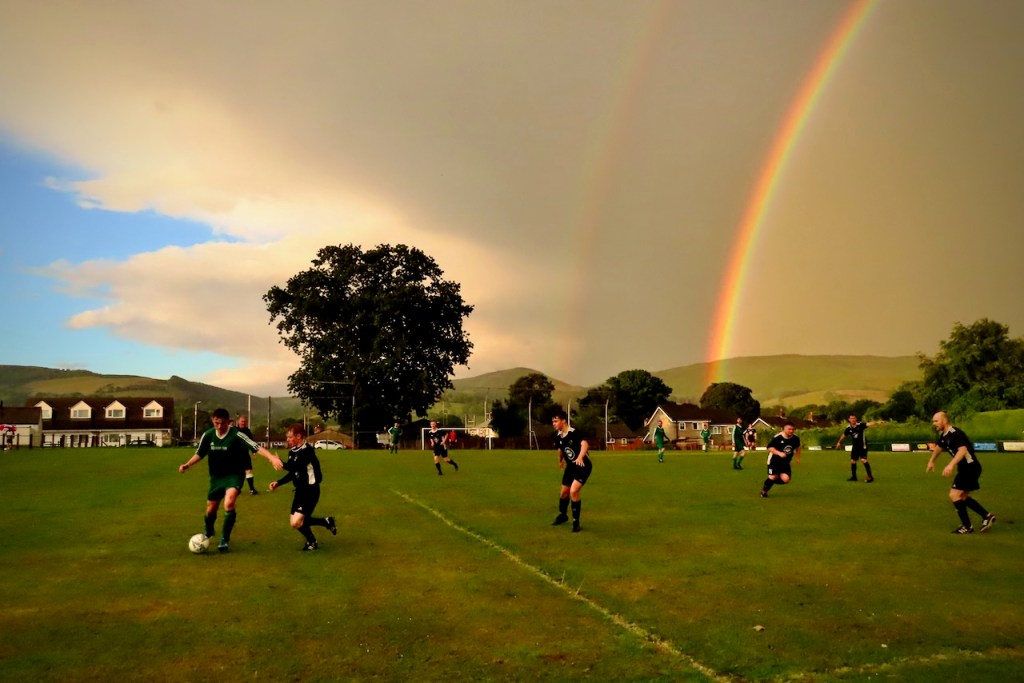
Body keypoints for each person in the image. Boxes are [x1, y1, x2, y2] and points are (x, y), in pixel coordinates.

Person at [179, 408, 283, 552]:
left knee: (229, 503)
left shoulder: (237, 435)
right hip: (216, 477)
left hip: (234, 476)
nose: (219, 426)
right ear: (213, 420)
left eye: (222, 423)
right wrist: (188, 464)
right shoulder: (208, 435)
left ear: (228, 422)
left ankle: (224, 539)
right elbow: (200, 453)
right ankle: (209, 531)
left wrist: (271, 458)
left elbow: (256, 447)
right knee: (211, 509)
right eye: (216, 423)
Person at [268, 423, 337, 551]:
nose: (287, 439)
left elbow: (296, 467)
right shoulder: (292, 452)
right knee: (294, 523)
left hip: (311, 490)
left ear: (299, 436)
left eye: (290, 437)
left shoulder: (308, 451)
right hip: (300, 491)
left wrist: (280, 462)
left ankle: (312, 540)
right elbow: (293, 472)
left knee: (297, 521)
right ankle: (325, 523)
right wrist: (278, 482)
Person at [926, 411, 995, 534]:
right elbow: (938, 448)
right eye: (933, 421)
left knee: (954, 495)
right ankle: (986, 516)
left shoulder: (955, 433)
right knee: (962, 497)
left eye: (936, 421)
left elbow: (962, 450)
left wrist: (950, 465)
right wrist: (931, 461)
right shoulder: (944, 435)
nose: (934, 423)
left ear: (944, 421)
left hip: (970, 468)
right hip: (966, 468)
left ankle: (967, 526)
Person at [551, 409, 592, 533]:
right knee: (564, 493)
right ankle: (563, 515)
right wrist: (560, 460)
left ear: (563, 421)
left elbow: (584, 444)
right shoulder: (558, 436)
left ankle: (576, 522)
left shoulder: (574, 432)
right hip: (570, 467)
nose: (554, 424)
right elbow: (560, 449)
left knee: (573, 491)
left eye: (556, 421)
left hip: (582, 466)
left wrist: (580, 457)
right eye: (553, 422)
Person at [760, 421, 801, 498]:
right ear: (783, 429)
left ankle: (770, 480)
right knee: (773, 477)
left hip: (785, 462)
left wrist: (797, 458)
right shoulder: (778, 437)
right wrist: (779, 453)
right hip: (774, 461)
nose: (791, 431)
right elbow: (770, 447)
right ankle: (764, 492)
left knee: (786, 480)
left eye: (793, 429)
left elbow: (798, 448)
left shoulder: (795, 438)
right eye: (789, 429)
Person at [836, 414, 873, 482]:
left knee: (863, 460)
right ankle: (854, 477)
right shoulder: (848, 428)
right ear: (849, 420)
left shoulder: (860, 425)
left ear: (856, 419)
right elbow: (844, 435)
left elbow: (869, 424)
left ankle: (870, 477)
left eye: (854, 418)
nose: (853, 419)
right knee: (853, 461)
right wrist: (839, 442)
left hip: (863, 446)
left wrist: (877, 422)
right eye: (851, 418)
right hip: (855, 446)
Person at [235, 415, 260, 494]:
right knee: (238, 472)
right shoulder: (234, 430)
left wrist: (253, 452)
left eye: (245, 421)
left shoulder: (247, 431)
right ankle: (237, 488)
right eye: (242, 421)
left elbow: (251, 442)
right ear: (238, 422)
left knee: (248, 470)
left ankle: (251, 489)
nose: (243, 423)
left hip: (244, 454)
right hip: (234, 455)